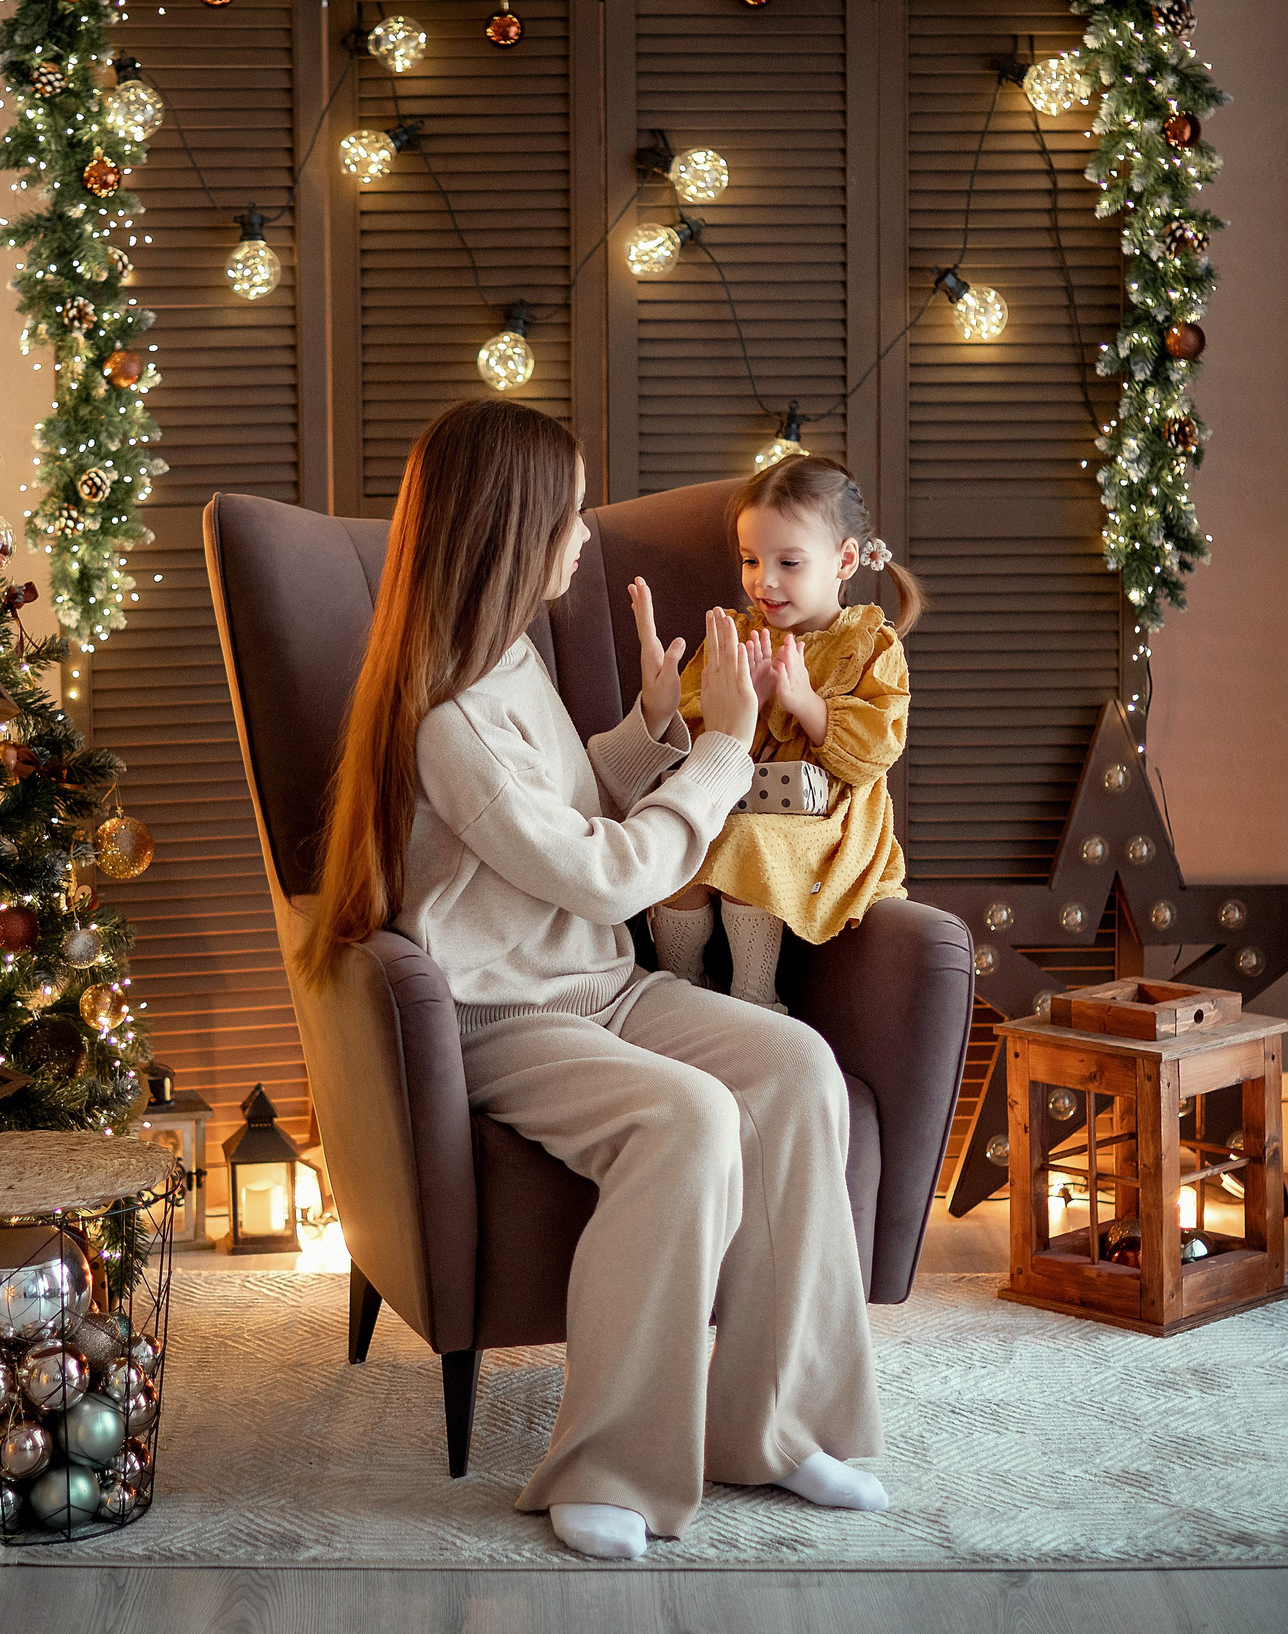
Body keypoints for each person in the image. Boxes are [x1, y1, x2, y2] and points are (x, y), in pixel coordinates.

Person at [300, 399, 887, 1562]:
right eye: (567, 515)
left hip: (600, 988)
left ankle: (769, 1425)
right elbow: (610, 876)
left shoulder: (505, 654)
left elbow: (564, 807)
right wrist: (723, 745)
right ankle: (609, 1459)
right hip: (504, 1014)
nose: (584, 534)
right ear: (512, 531)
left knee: (799, 1066)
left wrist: (652, 726)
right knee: (687, 1114)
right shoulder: (447, 721)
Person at [648, 454, 921, 1010]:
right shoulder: (737, 634)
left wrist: (806, 703)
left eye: (788, 562)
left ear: (844, 560)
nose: (763, 581)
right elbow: (691, 742)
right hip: (736, 799)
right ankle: (681, 983)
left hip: (828, 820)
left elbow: (874, 752)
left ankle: (755, 994)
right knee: (680, 839)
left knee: (754, 841)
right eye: (751, 560)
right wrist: (743, 705)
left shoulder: (871, 644)